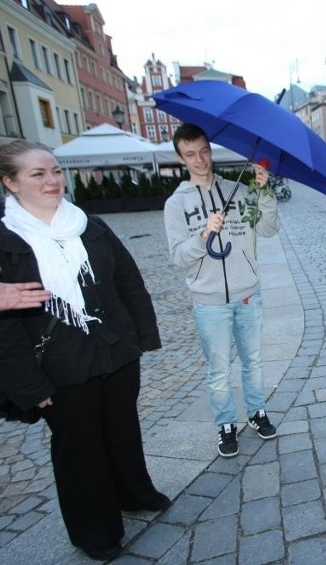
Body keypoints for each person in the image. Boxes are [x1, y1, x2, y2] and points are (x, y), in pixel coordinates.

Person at [0, 140, 168, 561]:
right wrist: (29, 386)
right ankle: (95, 532)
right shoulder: (7, 240)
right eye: (38, 174)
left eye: (55, 171)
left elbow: (128, 281)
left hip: (115, 354)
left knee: (123, 430)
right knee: (79, 450)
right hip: (59, 366)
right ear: (10, 183)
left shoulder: (88, 224)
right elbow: (5, 330)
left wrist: (140, 338)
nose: (53, 180)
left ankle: (134, 492)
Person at [164, 123, 279, 458]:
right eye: (190, 154)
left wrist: (265, 192)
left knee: (253, 362)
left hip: (248, 294)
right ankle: (226, 424)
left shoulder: (238, 191)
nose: (199, 159)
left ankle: (257, 412)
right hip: (209, 302)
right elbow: (177, 256)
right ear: (180, 158)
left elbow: (270, 228)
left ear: (210, 150)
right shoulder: (176, 204)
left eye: (204, 151)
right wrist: (203, 235)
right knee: (219, 370)